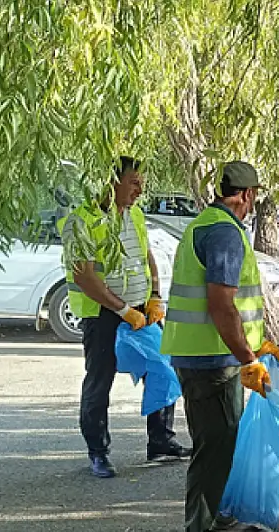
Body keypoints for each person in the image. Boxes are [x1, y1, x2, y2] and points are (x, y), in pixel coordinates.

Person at [161, 161, 279, 532]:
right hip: (210, 361)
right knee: (214, 446)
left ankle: (214, 516)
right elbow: (221, 304)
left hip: (205, 356)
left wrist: (253, 347)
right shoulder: (225, 234)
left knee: (219, 440)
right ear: (247, 195)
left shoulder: (204, 224)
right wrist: (247, 358)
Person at [60, 157, 189, 479]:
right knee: (99, 381)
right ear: (111, 182)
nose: (140, 190)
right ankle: (98, 452)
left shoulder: (135, 215)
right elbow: (85, 277)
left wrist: (156, 295)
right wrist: (122, 310)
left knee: (163, 369)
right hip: (103, 314)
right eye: (134, 182)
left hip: (141, 309)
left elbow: (146, 257)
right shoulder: (82, 221)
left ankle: (161, 439)